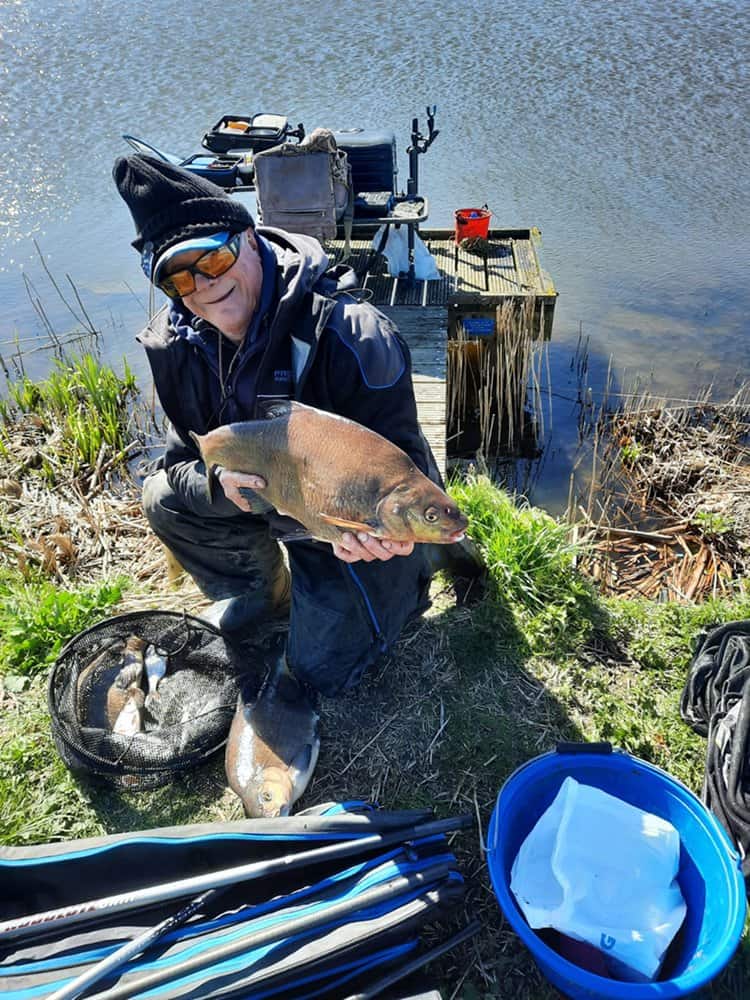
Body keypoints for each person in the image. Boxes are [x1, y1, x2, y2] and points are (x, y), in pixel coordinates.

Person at [113, 154, 440, 720]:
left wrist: (373, 528)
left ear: (248, 236)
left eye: (214, 256)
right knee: (161, 499)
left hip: (344, 520)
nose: (205, 285)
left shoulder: (353, 333)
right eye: (180, 276)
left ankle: (405, 587)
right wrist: (221, 487)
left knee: (319, 672)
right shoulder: (175, 344)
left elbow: (410, 467)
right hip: (262, 498)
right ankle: (262, 594)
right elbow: (181, 464)